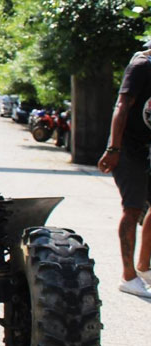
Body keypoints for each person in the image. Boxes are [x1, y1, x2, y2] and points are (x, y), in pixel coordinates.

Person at [97, 40, 151, 298]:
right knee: (132, 209)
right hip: (128, 147)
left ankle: (143, 267)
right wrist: (113, 149)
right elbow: (122, 106)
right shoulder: (141, 66)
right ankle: (128, 277)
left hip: (147, 147)